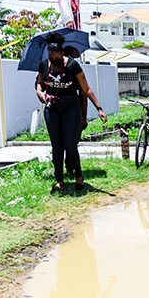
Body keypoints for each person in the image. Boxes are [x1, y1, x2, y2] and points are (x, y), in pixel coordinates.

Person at [35, 32, 107, 192]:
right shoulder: (43, 65)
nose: (55, 61)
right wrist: (40, 94)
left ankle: (79, 176)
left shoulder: (72, 65)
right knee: (56, 146)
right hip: (52, 108)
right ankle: (59, 179)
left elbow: (86, 89)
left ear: (62, 53)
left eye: (58, 57)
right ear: (49, 55)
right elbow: (39, 85)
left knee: (70, 143)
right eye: (52, 58)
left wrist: (99, 108)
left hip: (71, 107)